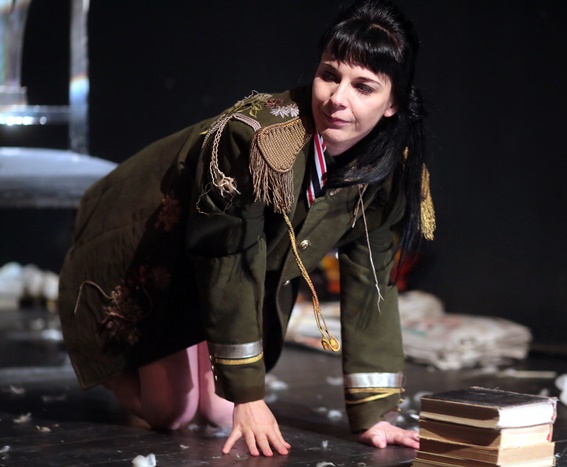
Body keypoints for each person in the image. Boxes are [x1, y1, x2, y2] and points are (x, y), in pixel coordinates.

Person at [57, 0, 435, 457]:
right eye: (329, 75)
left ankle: (193, 347)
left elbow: (372, 279)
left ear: (393, 104)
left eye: (363, 87)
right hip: (153, 246)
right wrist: (249, 397)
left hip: (217, 267)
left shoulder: (390, 169)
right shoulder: (257, 141)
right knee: (170, 411)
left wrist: (375, 415)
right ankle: (101, 348)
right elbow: (229, 258)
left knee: (218, 413)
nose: (338, 99)